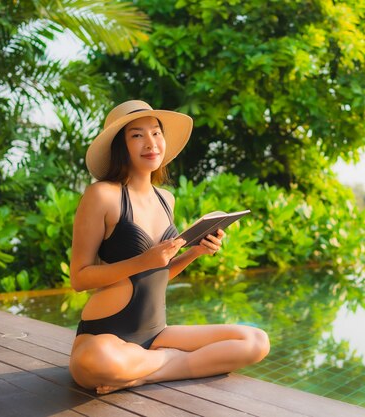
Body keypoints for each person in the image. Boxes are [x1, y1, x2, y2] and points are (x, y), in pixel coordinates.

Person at [68, 100, 270, 394]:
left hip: (157, 334)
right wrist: (143, 261)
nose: (150, 143)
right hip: (105, 336)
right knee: (97, 363)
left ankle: (146, 373)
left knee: (256, 342)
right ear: (120, 146)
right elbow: (79, 277)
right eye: (137, 135)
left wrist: (194, 252)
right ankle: (167, 364)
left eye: (156, 133)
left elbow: (157, 273)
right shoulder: (102, 195)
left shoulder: (166, 200)